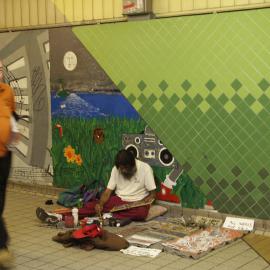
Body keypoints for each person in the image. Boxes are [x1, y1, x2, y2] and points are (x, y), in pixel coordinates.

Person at [79, 149, 157, 221]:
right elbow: (107, 192)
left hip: (137, 202)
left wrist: (140, 203)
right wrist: (100, 204)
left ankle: (111, 214)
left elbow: (153, 195)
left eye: (126, 168)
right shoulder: (116, 169)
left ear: (133, 165)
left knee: (141, 214)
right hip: (119, 200)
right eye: (121, 169)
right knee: (92, 206)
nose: (123, 171)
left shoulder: (145, 168)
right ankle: (113, 213)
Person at [0, 60, 19, 268]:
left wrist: (13, 130)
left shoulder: (7, 91)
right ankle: (2, 245)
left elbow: (13, 116)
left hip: (4, 156)